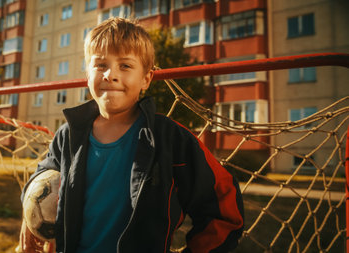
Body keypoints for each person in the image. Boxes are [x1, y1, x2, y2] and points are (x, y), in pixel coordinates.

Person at [18, 17, 244, 253]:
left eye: (125, 66)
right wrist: (29, 210)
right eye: (100, 65)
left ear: (146, 78)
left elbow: (223, 208)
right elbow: (44, 174)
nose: (110, 75)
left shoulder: (171, 139)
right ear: (87, 75)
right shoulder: (68, 135)